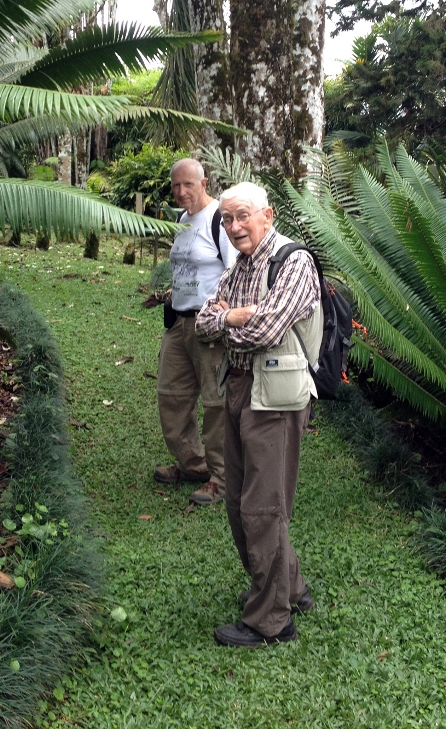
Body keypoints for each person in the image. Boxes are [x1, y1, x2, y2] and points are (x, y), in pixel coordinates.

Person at [195, 181, 320, 646]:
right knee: (238, 500)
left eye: (242, 215)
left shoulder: (294, 262)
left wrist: (237, 318)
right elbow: (205, 320)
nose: (233, 226)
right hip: (240, 388)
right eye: (226, 219)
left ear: (267, 214)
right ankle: (294, 590)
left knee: (263, 507)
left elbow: (267, 329)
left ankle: (271, 619)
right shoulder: (242, 263)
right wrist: (233, 316)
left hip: (276, 398)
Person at [153, 158, 237, 505]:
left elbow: (235, 271)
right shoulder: (182, 219)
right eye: (176, 185)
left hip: (210, 327)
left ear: (205, 183)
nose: (181, 191)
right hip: (179, 323)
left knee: (216, 405)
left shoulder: (219, 219)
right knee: (170, 396)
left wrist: (225, 315)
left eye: (188, 184)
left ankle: (222, 479)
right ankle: (193, 465)